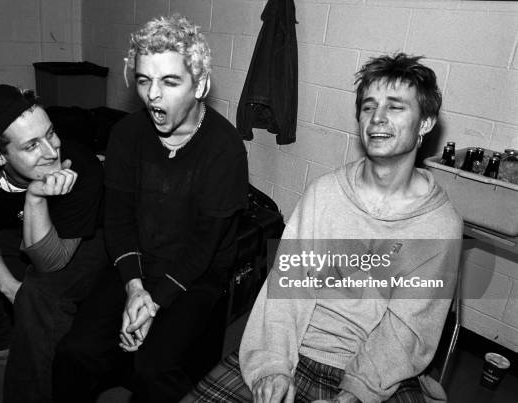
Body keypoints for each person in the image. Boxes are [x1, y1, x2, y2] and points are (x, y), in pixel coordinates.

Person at [184, 53, 463, 403]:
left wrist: (355, 394)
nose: (376, 118)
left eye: (395, 107)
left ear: (425, 122)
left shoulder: (439, 226)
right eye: (368, 106)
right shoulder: (326, 194)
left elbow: (405, 333)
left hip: (378, 375)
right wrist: (272, 367)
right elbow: (287, 287)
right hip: (295, 349)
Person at [52, 14, 249, 403]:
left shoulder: (224, 148)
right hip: (136, 263)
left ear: (201, 85)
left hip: (196, 273)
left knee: (153, 371)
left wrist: (153, 303)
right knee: (76, 352)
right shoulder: (126, 135)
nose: (153, 95)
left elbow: (203, 247)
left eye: (170, 81)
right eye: (144, 81)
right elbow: (118, 219)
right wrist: (135, 288)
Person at [0, 84, 107, 403]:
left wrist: (34, 197)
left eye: (51, 133)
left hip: (90, 237)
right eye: (32, 144)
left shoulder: (80, 166)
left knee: (40, 290)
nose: (51, 151)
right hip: (21, 230)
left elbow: (52, 262)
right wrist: (7, 287)